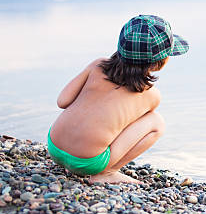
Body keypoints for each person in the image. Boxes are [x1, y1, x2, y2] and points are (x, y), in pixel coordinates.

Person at [47, 15, 189, 184]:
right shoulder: (151, 95)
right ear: (159, 62)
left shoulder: (97, 65)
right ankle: (108, 172)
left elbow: (62, 101)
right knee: (156, 122)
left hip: (54, 147)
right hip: (87, 163)